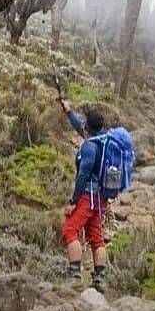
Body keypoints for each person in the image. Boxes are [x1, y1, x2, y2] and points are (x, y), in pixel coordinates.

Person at [59, 98, 111, 287]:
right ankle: (100, 279)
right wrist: (69, 111)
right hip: (100, 199)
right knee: (96, 237)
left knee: (70, 230)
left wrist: (73, 200)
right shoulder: (103, 140)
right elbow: (79, 125)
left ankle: (74, 277)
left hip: (87, 197)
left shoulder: (89, 147)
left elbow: (83, 175)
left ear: (88, 126)